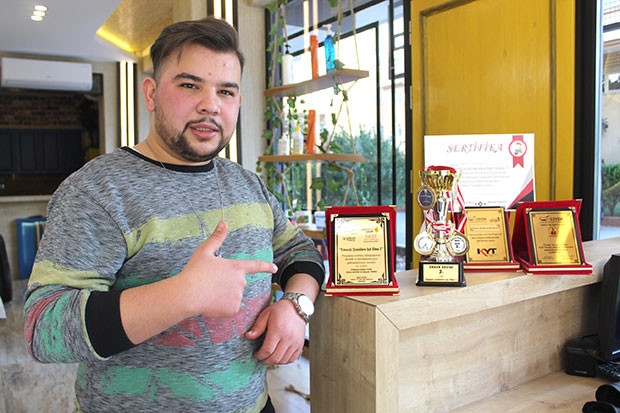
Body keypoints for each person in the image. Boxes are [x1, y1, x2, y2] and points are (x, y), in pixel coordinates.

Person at [23, 17, 324, 412]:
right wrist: (183, 294)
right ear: (151, 94)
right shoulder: (98, 190)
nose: (210, 105)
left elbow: (299, 250)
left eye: (226, 91)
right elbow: (42, 328)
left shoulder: (249, 185)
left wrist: (296, 305)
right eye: (189, 85)